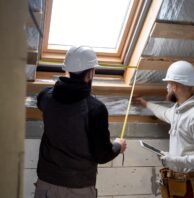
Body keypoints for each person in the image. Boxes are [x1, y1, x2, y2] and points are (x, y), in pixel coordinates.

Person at [34, 46, 127, 198]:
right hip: (78, 189)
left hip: (46, 184)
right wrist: (118, 146)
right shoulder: (96, 109)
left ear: (66, 70)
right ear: (91, 73)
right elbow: (102, 155)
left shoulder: (45, 97)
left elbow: (48, 98)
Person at [133, 61, 194, 198]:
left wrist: (175, 160)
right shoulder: (178, 111)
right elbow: (164, 113)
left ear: (175, 87)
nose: (166, 87)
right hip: (178, 184)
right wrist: (145, 104)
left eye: (168, 84)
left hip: (192, 187)